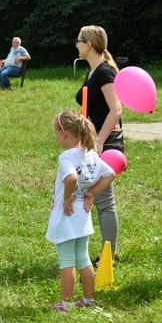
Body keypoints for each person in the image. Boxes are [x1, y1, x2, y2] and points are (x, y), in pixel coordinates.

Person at [46, 110, 115, 312]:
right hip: (83, 215)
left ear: (64, 133)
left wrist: (68, 198)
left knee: (66, 260)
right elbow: (110, 173)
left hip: (67, 215)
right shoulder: (91, 154)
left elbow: (71, 178)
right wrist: (92, 193)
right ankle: (87, 300)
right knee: (83, 258)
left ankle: (66, 304)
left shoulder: (67, 156)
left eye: (56, 132)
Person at [74, 26, 122, 265]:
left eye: (79, 40)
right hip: (94, 142)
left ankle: (108, 257)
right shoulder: (94, 72)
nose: (76, 44)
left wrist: (100, 141)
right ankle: (108, 252)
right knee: (101, 199)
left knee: (104, 201)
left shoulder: (104, 73)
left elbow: (116, 110)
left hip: (105, 144)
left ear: (89, 45)